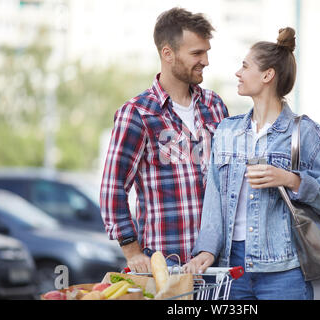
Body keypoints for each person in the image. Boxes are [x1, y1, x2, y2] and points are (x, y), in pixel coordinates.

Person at [183, 27, 320, 300]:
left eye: (245, 66)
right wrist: (207, 250)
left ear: (267, 75)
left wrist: (291, 179)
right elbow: (214, 198)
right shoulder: (227, 131)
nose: (238, 73)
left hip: (286, 272)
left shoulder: (306, 133)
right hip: (231, 271)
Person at [100, 7, 229, 273]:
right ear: (167, 54)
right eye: (196, 53)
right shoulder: (137, 113)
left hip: (217, 269)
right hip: (166, 269)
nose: (205, 61)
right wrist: (132, 251)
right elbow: (113, 189)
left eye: (206, 52)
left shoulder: (215, 106)